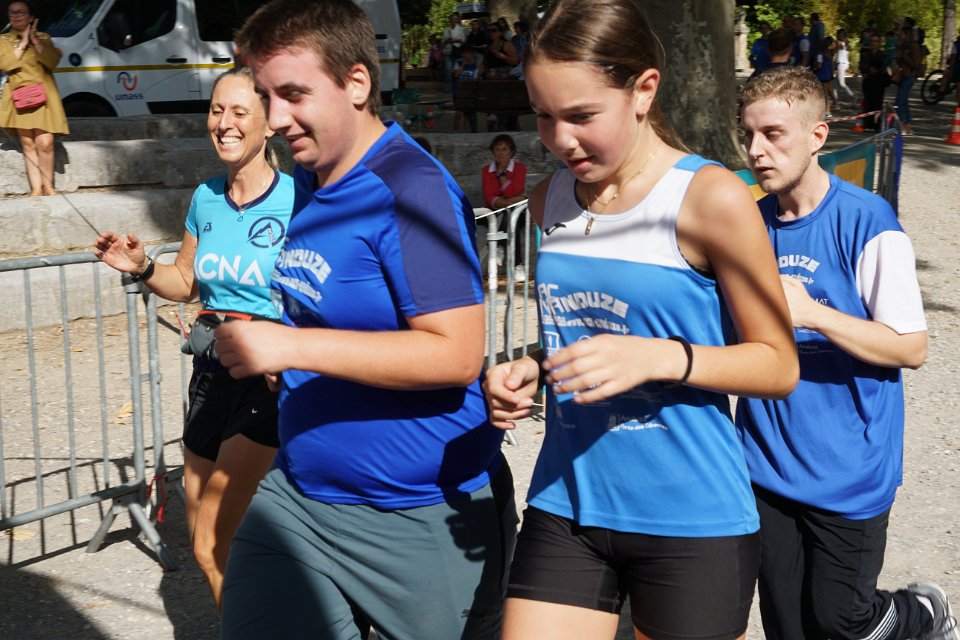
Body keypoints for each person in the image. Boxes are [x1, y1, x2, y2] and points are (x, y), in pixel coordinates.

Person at [483, 1, 799, 638]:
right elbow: (581, 331)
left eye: (581, 116)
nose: (559, 139)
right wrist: (532, 369)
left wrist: (659, 355)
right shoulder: (549, 198)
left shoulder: (710, 197)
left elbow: (778, 364)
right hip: (568, 501)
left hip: (691, 517)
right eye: (543, 115)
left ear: (644, 90)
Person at [215, 1, 517, 638]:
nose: (275, 118)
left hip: (420, 513)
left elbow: (456, 353)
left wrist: (292, 350)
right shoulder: (310, 178)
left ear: (356, 82)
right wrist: (281, 347)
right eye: (266, 96)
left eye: (294, 94)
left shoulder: (411, 187)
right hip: (299, 499)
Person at [738, 65, 958, 640]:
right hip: (765, 463)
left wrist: (811, 313)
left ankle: (924, 613)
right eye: (749, 135)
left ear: (818, 136)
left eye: (773, 134)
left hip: (848, 469)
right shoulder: (746, 225)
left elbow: (911, 347)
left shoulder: (866, 220)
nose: (757, 150)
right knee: (788, 626)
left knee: (842, 623)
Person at [92, 66, 294, 609]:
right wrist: (141, 267)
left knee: (213, 537)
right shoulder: (205, 198)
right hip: (209, 375)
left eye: (240, 112)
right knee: (204, 540)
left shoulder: (300, 200)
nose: (224, 123)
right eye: (216, 110)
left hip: (268, 380)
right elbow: (185, 281)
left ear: (270, 124)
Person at [0, 1, 69, 196]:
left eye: (21, 12)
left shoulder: (43, 38)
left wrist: (34, 40)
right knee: (28, 144)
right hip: (19, 95)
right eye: (12, 12)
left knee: (45, 143)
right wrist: (23, 43)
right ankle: (37, 189)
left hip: (44, 95)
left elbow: (52, 61)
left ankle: (49, 186)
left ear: (31, 17)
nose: (16, 16)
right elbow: (4, 64)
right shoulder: (4, 40)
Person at [481, 133, 528, 282]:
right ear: (493, 152)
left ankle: (499, 248)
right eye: (497, 149)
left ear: (511, 152)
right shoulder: (487, 170)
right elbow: (489, 198)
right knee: (511, 216)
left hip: (516, 213)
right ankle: (517, 266)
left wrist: (502, 178)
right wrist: (513, 200)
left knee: (512, 214)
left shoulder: (519, 168)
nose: (501, 153)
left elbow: (515, 191)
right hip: (495, 212)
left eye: (504, 149)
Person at [894, 24, 921, 135]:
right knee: (902, 101)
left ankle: (903, 124)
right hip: (903, 76)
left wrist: (905, 57)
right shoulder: (903, 46)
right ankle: (907, 125)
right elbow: (900, 62)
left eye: (902, 33)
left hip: (909, 77)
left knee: (900, 100)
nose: (900, 35)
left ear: (907, 34)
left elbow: (916, 64)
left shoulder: (914, 46)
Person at [441, 11, 465, 92]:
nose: (454, 20)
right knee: (448, 71)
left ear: (457, 20)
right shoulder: (446, 29)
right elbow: (443, 42)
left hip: (456, 51)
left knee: (456, 70)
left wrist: (455, 40)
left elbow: (463, 40)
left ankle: (457, 86)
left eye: (455, 19)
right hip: (448, 52)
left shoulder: (460, 29)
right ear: (450, 20)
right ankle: (447, 87)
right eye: (452, 19)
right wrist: (448, 40)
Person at [814, 36, 835, 117]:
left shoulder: (820, 54)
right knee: (827, 93)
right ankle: (828, 110)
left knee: (824, 94)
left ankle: (827, 111)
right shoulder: (828, 54)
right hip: (827, 75)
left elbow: (819, 65)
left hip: (822, 75)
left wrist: (815, 65)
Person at [834, 30, 856, 105]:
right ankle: (835, 101)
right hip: (844, 63)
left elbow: (834, 51)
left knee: (842, 83)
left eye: (839, 34)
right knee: (836, 84)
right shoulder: (846, 43)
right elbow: (846, 55)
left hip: (841, 63)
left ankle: (853, 96)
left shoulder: (839, 42)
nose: (838, 36)